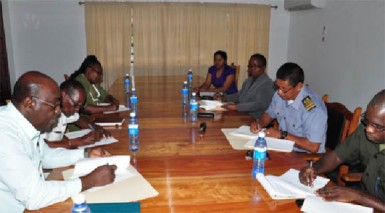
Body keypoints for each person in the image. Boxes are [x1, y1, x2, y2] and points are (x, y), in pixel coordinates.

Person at [0, 71, 117, 212]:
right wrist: (90, 181)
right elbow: (35, 197)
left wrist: (85, 153)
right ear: (29, 103)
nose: (57, 112)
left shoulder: (24, 124)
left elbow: (46, 156)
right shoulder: (5, 135)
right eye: (54, 106)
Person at [299, 90, 385, 212]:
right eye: (367, 120)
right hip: (364, 199)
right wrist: (314, 169)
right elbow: (336, 157)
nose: (369, 129)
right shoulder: (364, 131)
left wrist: (359, 196)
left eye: (378, 126)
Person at [250, 62, 327, 153]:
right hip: (283, 148)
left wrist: (282, 135)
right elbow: (269, 114)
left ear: (299, 86)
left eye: (284, 89)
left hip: (304, 155)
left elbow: (313, 146)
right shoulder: (280, 95)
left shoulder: (313, 108)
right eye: (277, 87)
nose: (279, 92)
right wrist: (259, 124)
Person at [44, 79, 111, 149]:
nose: (77, 109)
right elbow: (41, 147)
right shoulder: (44, 114)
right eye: (76, 105)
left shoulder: (65, 110)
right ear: (64, 96)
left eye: (80, 106)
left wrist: (95, 127)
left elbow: (79, 119)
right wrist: (79, 141)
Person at [215, 53, 274, 119]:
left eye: (255, 66)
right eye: (250, 66)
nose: (252, 69)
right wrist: (224, 97)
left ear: (263, 68)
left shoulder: (267, 83)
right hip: (242, 115)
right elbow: (239, 96)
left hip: (255, 120)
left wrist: (237, 107)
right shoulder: (248, 80)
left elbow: (259, 104)